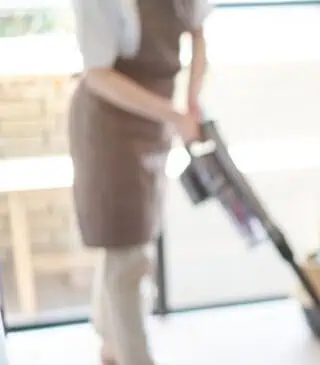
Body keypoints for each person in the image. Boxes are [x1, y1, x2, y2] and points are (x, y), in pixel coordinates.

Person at [67, 0, 211, 364]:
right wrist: (173, 115)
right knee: (127, 252)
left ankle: (109, 340)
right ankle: (135, 357)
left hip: (154, 122)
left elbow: (198, 34)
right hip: (108, 127)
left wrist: (191, 101)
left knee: (133, 240)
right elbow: (97, 75)